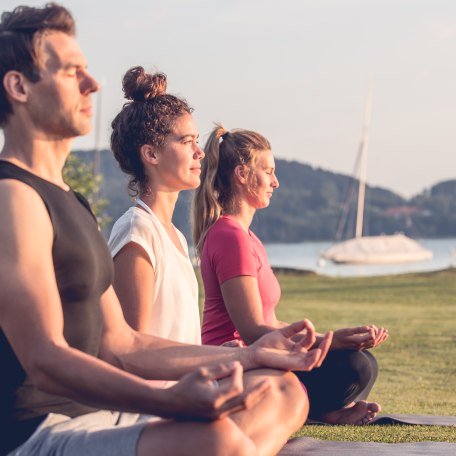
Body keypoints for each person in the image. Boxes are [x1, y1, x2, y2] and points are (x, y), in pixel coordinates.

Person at [0, 4, 333, 455]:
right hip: (43, 431)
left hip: (103, 415)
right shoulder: (13, 197)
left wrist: (251, 355)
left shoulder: (72, 202)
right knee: (216, 440)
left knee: (285, 391)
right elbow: (43, 360)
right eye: (71, 71)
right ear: (18, 87)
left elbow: (122, 344)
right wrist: (167, 399)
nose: (92, 83)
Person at [107, 66, 334, 449]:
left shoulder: (175, 237)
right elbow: (130, 353)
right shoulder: (136, 234)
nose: (199, 152)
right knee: (280, 392)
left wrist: (218, 355)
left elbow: (173, 334)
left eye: (196, 140)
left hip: (191, 386)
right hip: (156, 407)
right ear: (151, 154)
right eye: (187, 141)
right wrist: (214, 364)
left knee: (288, 391)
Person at [193, 125, 389, 425]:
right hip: (237, 365)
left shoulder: (246, 237)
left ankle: (320, 410)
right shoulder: (229, 236)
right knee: (354, 367)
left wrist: (329, 339)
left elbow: (270, 323)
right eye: (269, 172)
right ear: (243, 175)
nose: (276, 182)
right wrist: (330, 342)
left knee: (363, 363)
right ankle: (317, 411)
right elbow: (253, 332)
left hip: (263, 357)